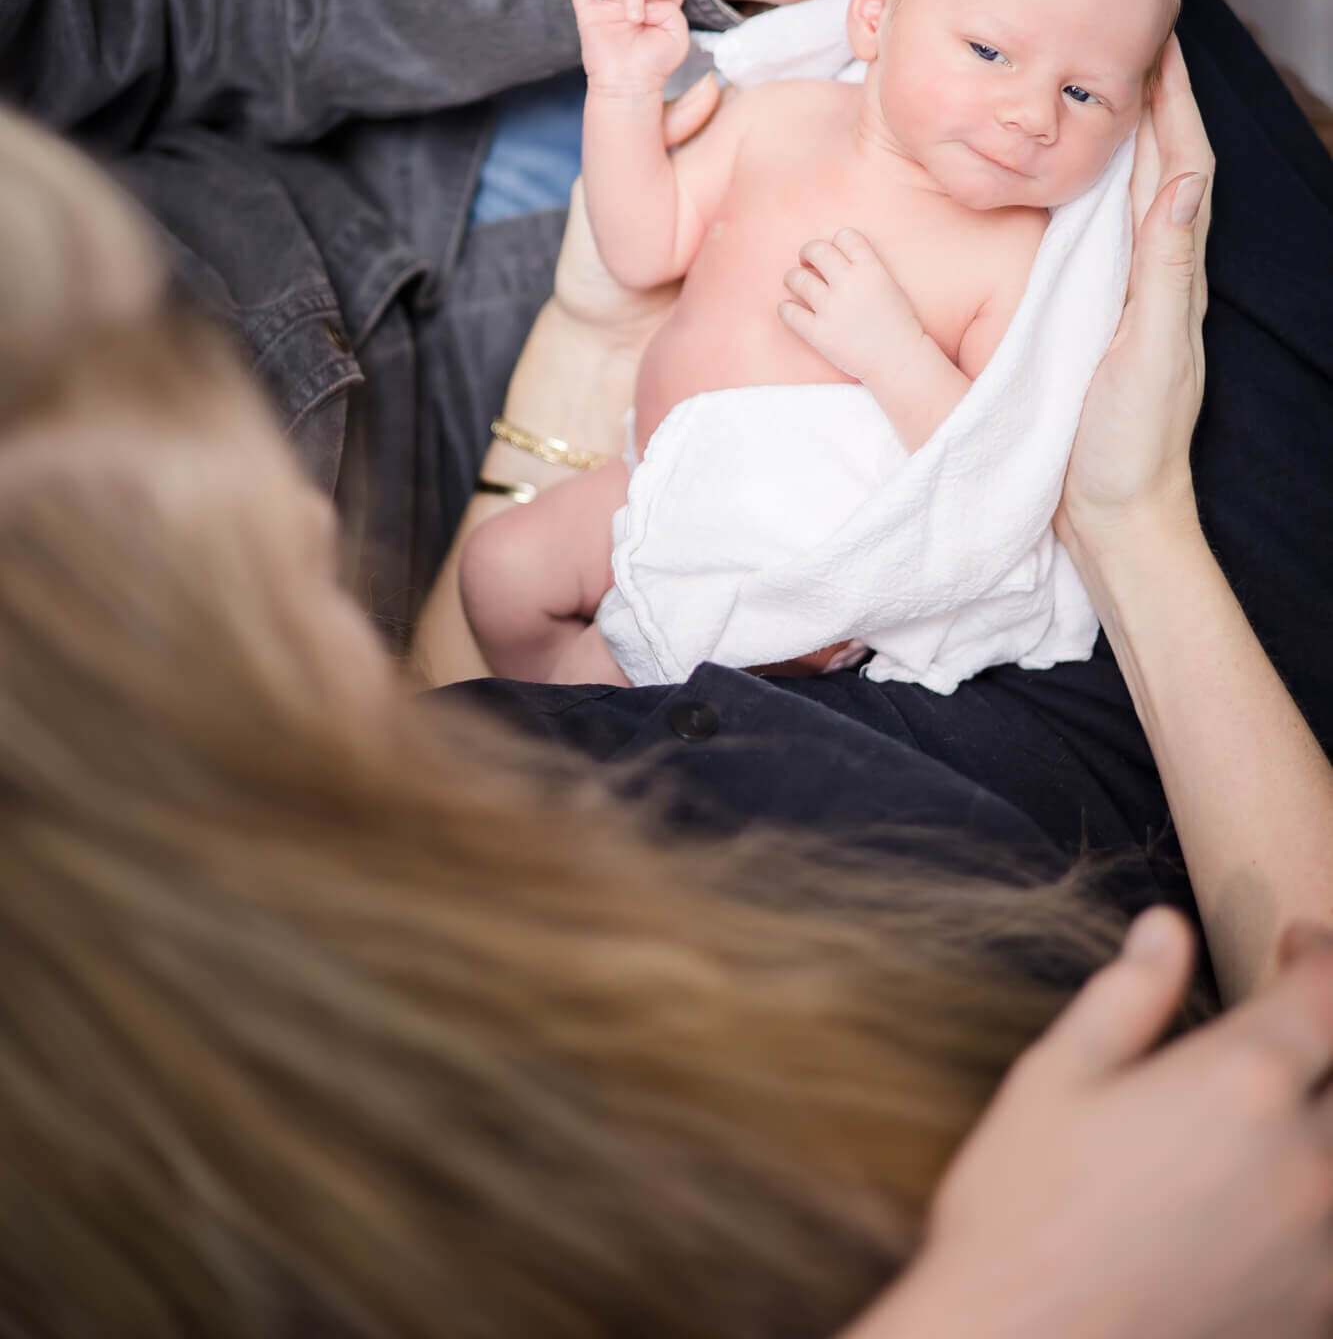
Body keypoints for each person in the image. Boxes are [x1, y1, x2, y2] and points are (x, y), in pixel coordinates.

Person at [0, 0, 1331, 1326]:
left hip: (553, 256)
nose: (279, 490)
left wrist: (673, 2)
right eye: (151, 387)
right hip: (1049, 676)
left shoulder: (389, 746)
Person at [1, 97, 1332, 1338]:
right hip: (1183, 697)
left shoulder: (306, 848)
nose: (299, 511)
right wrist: (1131, 528)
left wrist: (592, 339)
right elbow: (1285, 1107)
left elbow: (479, 687)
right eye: (168, 546)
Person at [458, 0, 1181, 685]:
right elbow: (639, 249)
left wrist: (897, 352)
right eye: (989, 51)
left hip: (780, 563)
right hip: (653, 479)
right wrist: (620, 95)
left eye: (1083, 92)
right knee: (496, 571)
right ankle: (514, 736)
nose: (1032, 113)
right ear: (875, 8)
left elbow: (993, 466)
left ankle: (549, 754)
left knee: (599, 675)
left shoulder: (1010, 258)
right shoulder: (776, 119)